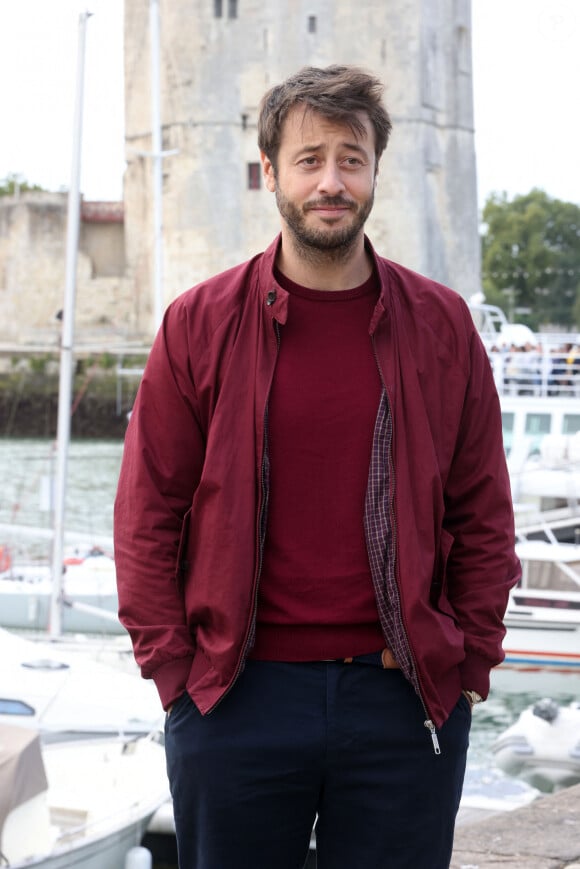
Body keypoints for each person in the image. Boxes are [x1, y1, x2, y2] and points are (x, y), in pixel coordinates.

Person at [114, 65, 520, 869]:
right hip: (235, 698)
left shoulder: (441, 326)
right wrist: (176, 677)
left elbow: (483, 511)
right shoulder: (198, 325)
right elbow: (147, 515)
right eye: (308, 159)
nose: (331, 181)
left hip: (402, 702)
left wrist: (468, 658)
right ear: (270, 171)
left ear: (374, 171)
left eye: (351, 157)